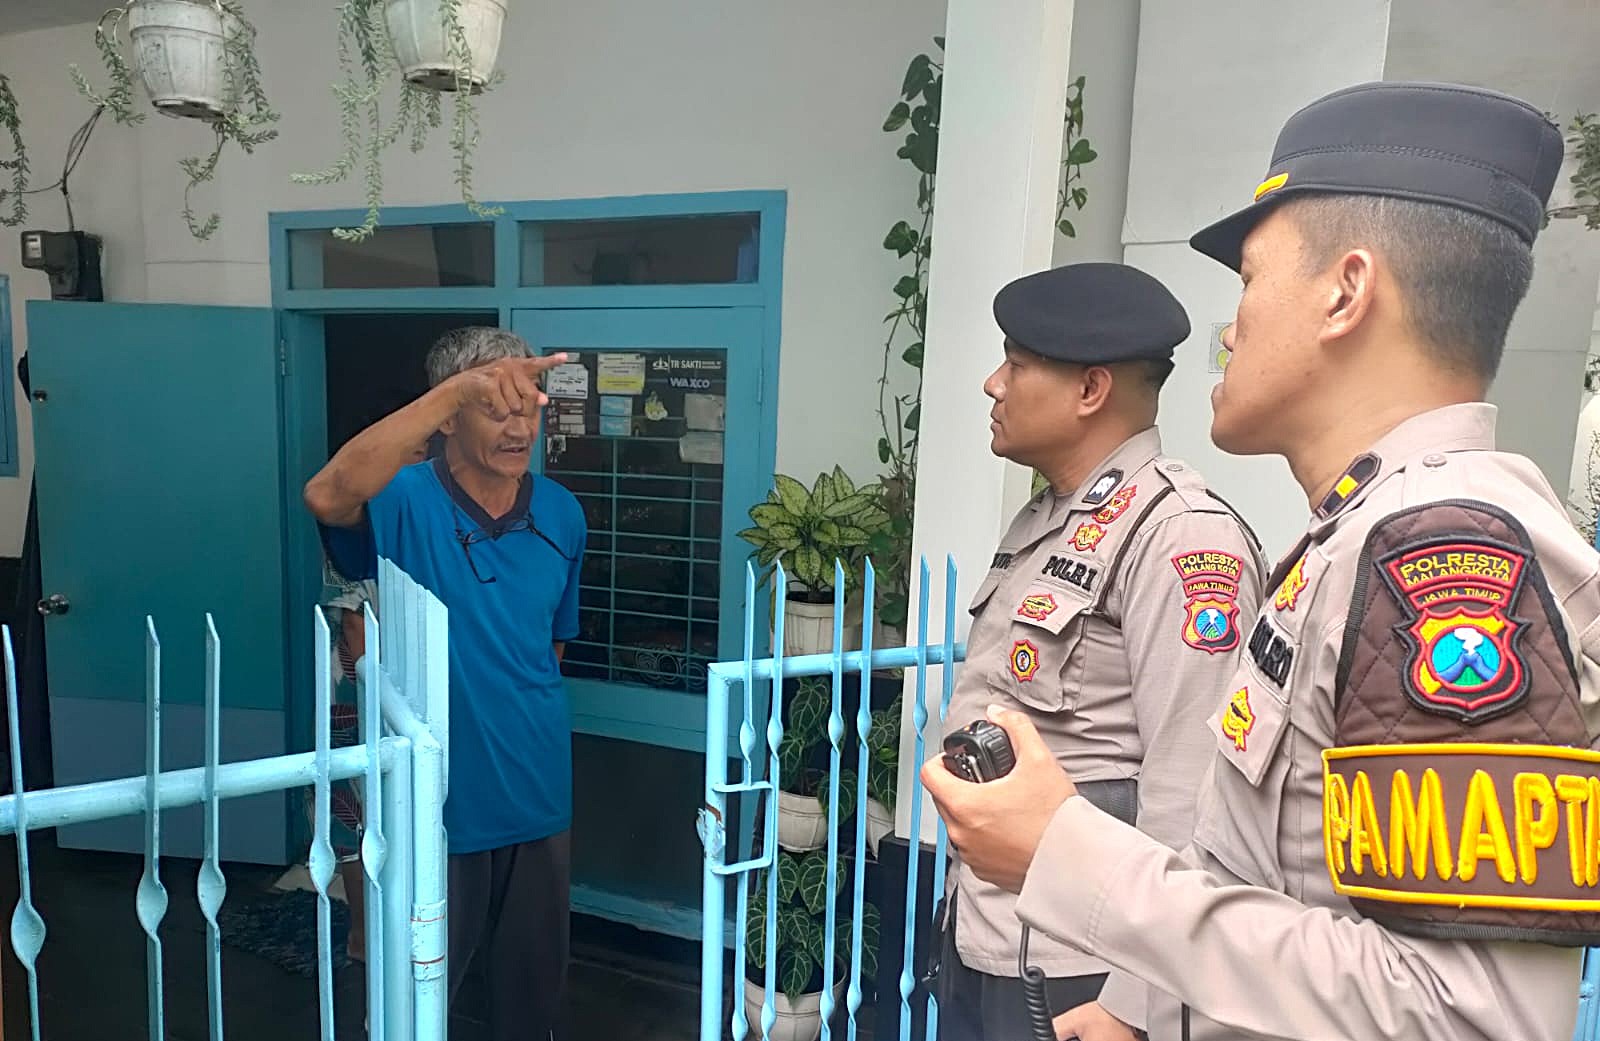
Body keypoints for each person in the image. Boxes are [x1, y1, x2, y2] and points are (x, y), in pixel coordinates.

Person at [923, 81, 1598, 1041]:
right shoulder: (1355, 537)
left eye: (1248, 279)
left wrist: (1068, 854)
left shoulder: (1446, 557)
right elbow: (1266, 879)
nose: (1230, 328)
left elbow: (1472, 1015)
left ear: (1346, 292)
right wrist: (1144, 1001)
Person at [934, 262, 1267, 1041]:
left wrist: (1139, 1002)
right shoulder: (1049, 519)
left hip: (1085, 973)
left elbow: (1198, 797)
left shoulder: (1180, 536)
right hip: (991, 936)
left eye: (1015, 364)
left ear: (1090, 390)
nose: (992, 384)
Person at [304, 327, 585, 1041]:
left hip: (536, 791)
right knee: (413, 1000)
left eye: (528, 406)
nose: (519, 427)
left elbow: (549, 646)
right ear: (449, 415)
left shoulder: (562, 513)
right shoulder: (402, 499)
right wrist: (457, 390)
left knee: (531, 1001)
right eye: (495, 405)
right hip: (432, 801)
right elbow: (326, 494)